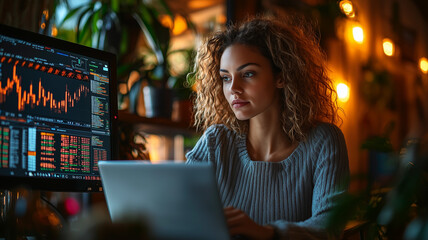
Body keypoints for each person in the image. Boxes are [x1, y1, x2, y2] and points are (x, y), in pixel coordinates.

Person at [185, 15, 350, 239]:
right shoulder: (216, 141)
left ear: (280, 77)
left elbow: (330, 227)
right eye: (225, 78)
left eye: (248, 74)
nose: (233, 88)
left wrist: (268, 234)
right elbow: (180, 213)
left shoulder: (324, 141)